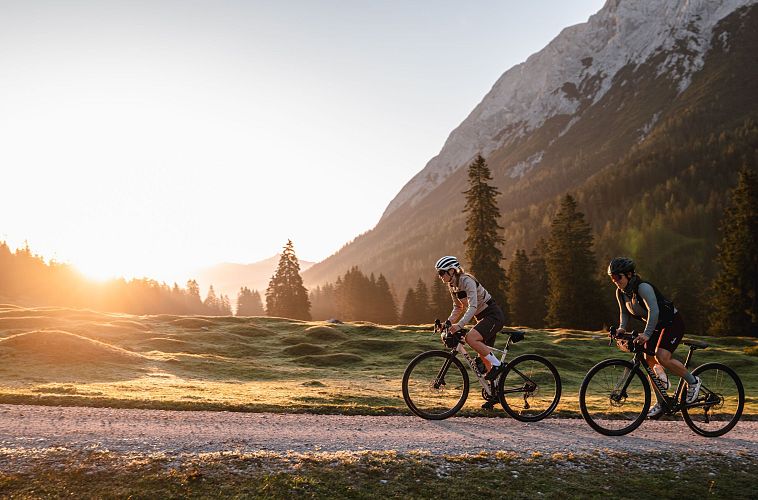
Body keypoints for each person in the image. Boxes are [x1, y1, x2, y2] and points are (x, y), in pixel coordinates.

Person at [607, 257, 701, 418]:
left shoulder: (643, 287)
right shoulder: (621, 293)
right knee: (647, 357)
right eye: (612, 278)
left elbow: (654, 311)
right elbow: (624, 312)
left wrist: (647, 334)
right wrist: (622, 328)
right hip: (657, 324)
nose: (615, 281)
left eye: (618, 277)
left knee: (662, 356)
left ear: (629, 275)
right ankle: (662, 401)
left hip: (672, 323)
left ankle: (693, 381)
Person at [435, 255, 506, 392]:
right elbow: (458, 307)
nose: (440, 276)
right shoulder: (452, 285)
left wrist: (460, 325)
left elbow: (472, 306)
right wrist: (448, 323)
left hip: (492, 315)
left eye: (441, 272)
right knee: (483, 357)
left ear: (451, 271)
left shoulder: (467, 280)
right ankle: (494, 393)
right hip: (482, 318)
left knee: (470, 338)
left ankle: (498, 365)